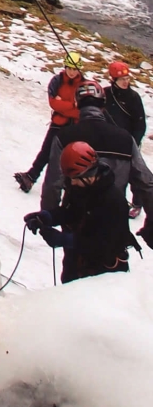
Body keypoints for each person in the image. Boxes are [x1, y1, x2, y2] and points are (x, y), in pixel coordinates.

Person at [55, 79, 153, 240]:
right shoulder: (125, 139)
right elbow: (146, 182)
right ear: (103, 105)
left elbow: (54, 182)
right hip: (115, 218)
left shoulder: (65, 136)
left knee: (77, 261)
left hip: (75, 218)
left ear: (78, 105)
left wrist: (49, 216)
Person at [27, 141, 136, 282]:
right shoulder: (82, 188)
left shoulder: (113, 201)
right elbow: (73, 212)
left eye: (76, 179)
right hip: (78, 266)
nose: (72, 183)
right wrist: (48, 217)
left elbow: (106, 245)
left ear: (90, 174)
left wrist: (65, 239)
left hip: (103, 276)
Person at [14, 52, 83, 195]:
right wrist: (72, 105)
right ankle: (31, 177)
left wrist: (63, 105)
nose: (71, 72)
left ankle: (69, 184)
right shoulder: (57, 81)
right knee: (46, 151)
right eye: (69, 68)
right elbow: (54, 104)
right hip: (58, 124)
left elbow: (80, 110)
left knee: (71, 157)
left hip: (75, 126)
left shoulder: (83, 85)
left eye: (74, 69)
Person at [106, 57, 147, 145]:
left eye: (127, 78)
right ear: (113, 79)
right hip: (106, 139)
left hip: (127, 142)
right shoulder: (106, 93)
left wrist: (134, 143)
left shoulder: (134, 97)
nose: (125, 82)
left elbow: (140, 125)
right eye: (121, 79)